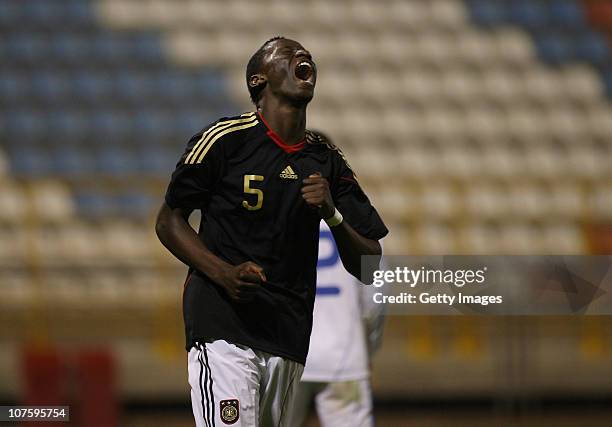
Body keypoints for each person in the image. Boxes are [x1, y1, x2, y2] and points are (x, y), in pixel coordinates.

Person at [155, 36, 388, 427]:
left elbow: (368, 264)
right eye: (286, 52)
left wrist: (332, 214)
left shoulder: (327, 160)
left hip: (287, 336)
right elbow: (168, 221)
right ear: (258, 80)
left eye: (306, 53)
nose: (303, 55)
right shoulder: (225, 141)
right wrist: (223, 273)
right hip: (223, 328)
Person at [290, 222, 385, 427]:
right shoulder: (360, 220)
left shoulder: (279, 213)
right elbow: (374, 301)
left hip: (288, 349)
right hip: (344, 354)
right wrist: (369, 347)